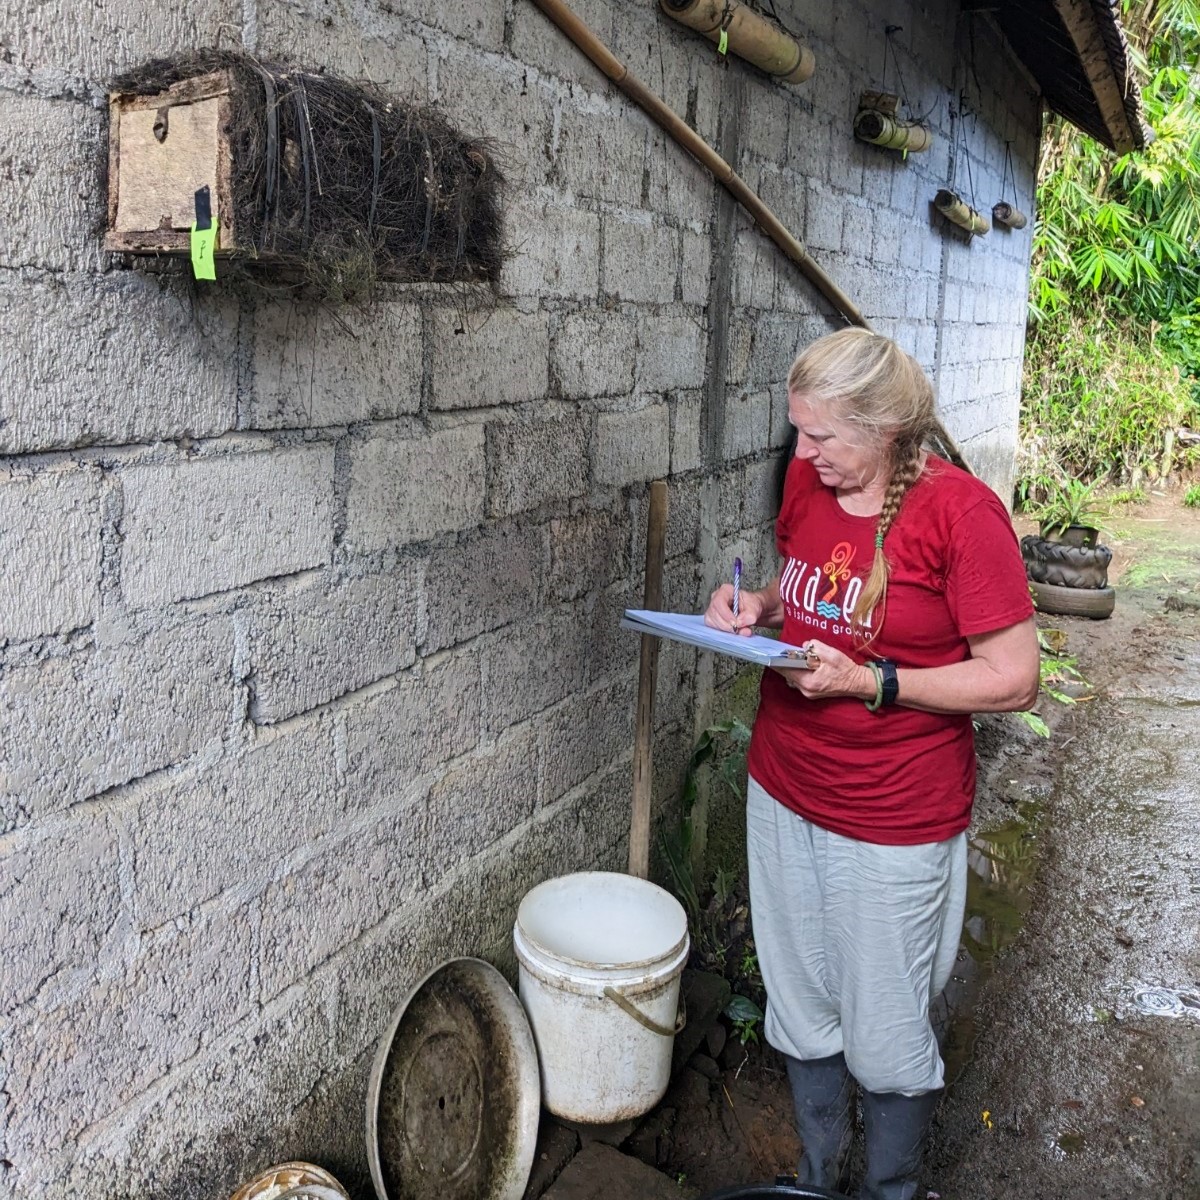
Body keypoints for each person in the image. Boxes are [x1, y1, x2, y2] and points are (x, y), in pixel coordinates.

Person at [704, 328, 1039, 1200]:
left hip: (893, 813)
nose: (804, 457)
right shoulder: (810, 482)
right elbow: (804, 587)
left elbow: (1015, 679)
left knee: (886, 1032)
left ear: (886, 430)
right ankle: (818, 1178)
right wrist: (758, 606)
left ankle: (890, 1190)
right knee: (800, 1004)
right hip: (784, 785)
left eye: (823, 438)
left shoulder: (959, 514)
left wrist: (877, 680)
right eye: (798, 434)